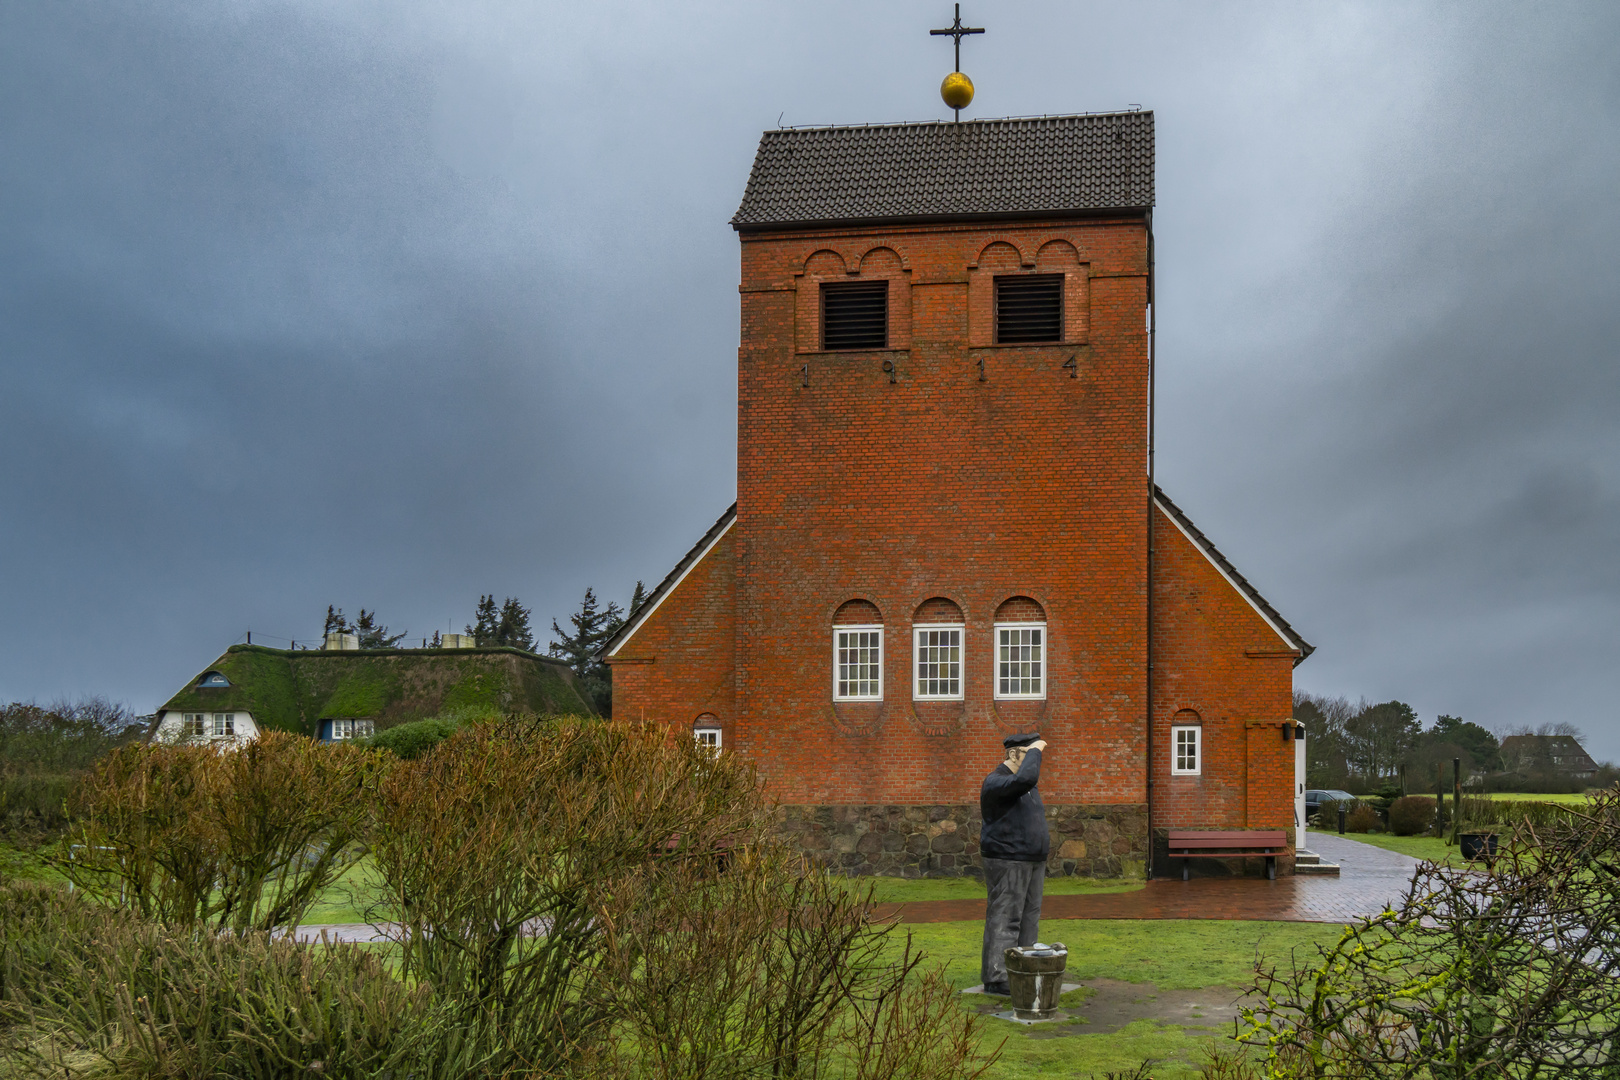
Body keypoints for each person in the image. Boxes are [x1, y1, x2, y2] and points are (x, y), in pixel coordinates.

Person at [978, 732, 1049, 995]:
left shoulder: (1023, 785)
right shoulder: (997, 782)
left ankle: (1022, 969)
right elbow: (1027, 777)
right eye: (1029, 753)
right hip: (1008, 859)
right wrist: (1037, 748)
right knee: (1005, 917)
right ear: (1014, 754)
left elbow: (1027, 781)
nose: (1035, 759)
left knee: (1029, 919)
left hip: (1031, 859)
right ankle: (997, 977)